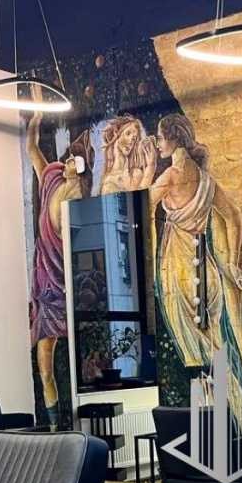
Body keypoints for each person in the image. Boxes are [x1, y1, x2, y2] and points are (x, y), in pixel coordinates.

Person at [149, 113, 242, 423]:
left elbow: (141, 208)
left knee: (198, 356)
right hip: (207, 270)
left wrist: (152, 253)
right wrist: (231, 264)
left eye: (160, 137)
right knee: (217, 351)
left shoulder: (170, 176)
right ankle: (235, 421)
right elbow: (234, 216)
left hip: (179, 267)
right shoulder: (205, 180)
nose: (157, 144)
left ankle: (214, 428)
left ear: (174, 138)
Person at [25, 104, 94, 430]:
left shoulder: (77, 195)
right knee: (45, 370)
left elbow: (75, 241)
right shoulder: (50, 181)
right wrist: (36, 119)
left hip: (63, 288)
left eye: (74, 161)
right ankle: (55, 429)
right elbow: (32, 149)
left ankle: (73, 429)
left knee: (75, 362)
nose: (67, 163)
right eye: (67, 158)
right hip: (44, 289)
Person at [99, 115, 158, 195]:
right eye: (128, 133)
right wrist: (150, 169)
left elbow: (147, 199)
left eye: (134, 138)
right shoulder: (109, 183)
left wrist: (150, 167)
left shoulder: (137, 174)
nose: (131, 141)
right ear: (116, 133)